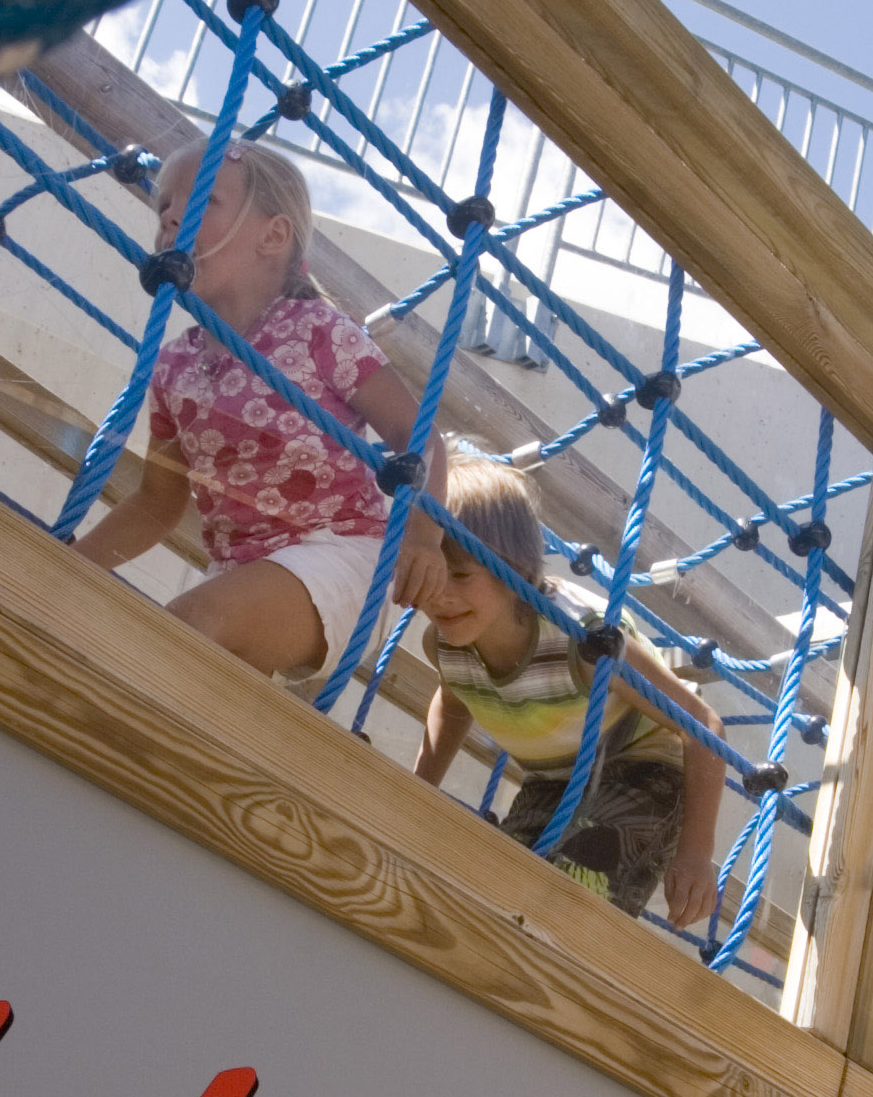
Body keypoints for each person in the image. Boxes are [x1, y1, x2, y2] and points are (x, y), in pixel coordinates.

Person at [71, 142, 430, 681]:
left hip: (339, 551)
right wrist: (75, 564)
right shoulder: (174, 367)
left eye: (201, 201)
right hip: (239, 569)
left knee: (184, 629)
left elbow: (419, 435)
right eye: (163, 205)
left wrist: (425, 538)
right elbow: (156, 502)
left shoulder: (318, 332)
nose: (170, 214)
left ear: (274, 236)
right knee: (145, 655)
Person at [399, 455, 724, 927]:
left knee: (573, 893)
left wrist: (695, 855)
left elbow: (704, 727)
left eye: (461, 575)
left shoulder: (584, 642)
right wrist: (419, 789)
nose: (438, 594)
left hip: (643, 769)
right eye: (429, 570)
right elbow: (453, 705)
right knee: (497, 894)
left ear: (515, 569)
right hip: (554, 783)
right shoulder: (449, 645)